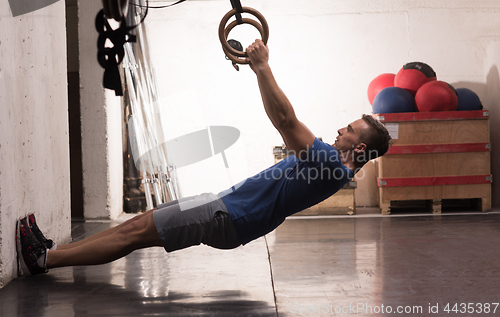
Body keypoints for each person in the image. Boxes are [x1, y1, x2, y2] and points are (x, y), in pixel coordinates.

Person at [16, 39, 392, 276]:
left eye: (349, 129)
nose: (341, 130)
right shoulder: (330, 164)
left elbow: (284, 120)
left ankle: (45, 260)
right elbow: (285, 123)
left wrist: (261, 67)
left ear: (359, 148)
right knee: (141, 223)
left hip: (228, 216)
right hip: (225, 205)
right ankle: (53, 252)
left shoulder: (330, 165)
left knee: (133, 233)